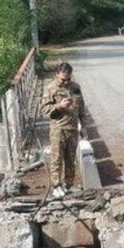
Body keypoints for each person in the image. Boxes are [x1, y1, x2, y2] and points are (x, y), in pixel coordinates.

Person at [41, 62, 86, 198]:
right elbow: (44, 110)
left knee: (70, 158)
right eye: (63, 79)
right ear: (57, 75)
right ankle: (56, 186)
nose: (66, 82)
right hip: (58, 129)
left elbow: (81, 108)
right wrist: (60, 106)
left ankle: (69, 184)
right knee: (57, 159)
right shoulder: (51, 88)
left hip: (72, 128)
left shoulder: (76, 87)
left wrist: (84, 126)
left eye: (68, 79)